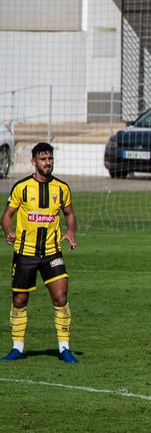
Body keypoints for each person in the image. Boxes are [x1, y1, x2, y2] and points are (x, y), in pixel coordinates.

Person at [2, 142, 78, 362]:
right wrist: (8, 231)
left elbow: (69, 214)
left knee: (61, 297)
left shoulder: (61, 188)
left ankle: (64, 348)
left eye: (50, 159)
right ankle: (17, 348)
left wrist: (71, 230)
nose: (48, 163)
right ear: (33, 161)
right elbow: (7, 216)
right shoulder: (21, 187)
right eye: (43, 159)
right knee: (19, 301)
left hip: (52, 252)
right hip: (25, 252)